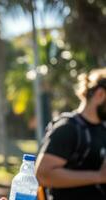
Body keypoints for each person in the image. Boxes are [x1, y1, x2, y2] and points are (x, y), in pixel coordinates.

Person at [35, 68, 106, 200]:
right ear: (100, 94)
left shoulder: (103, 130)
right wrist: (99, 176)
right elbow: (43, 174)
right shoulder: (67, 128)